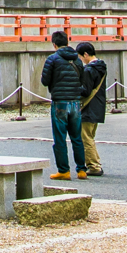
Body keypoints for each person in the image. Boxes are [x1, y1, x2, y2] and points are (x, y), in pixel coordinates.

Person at [40, 29, 87, 180]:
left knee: (60, 138)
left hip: (60, 101)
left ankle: (64, 170)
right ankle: (81, 170)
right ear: (67, 42)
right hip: (75, 102)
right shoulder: (77, 60)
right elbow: (82, 81)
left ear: (54, 44)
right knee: (77, 137)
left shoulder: (52, 59)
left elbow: (45, 81)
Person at [76, 41, 107, 177]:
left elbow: (86, 91)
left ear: (86, 54)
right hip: (98, 106)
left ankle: (94, 166)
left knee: (86, 138)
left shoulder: (89, 70)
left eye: (80, 57)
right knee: (90, 136)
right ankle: (95, 163)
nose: (81, 60)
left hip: (88, 107)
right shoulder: (101, 66)